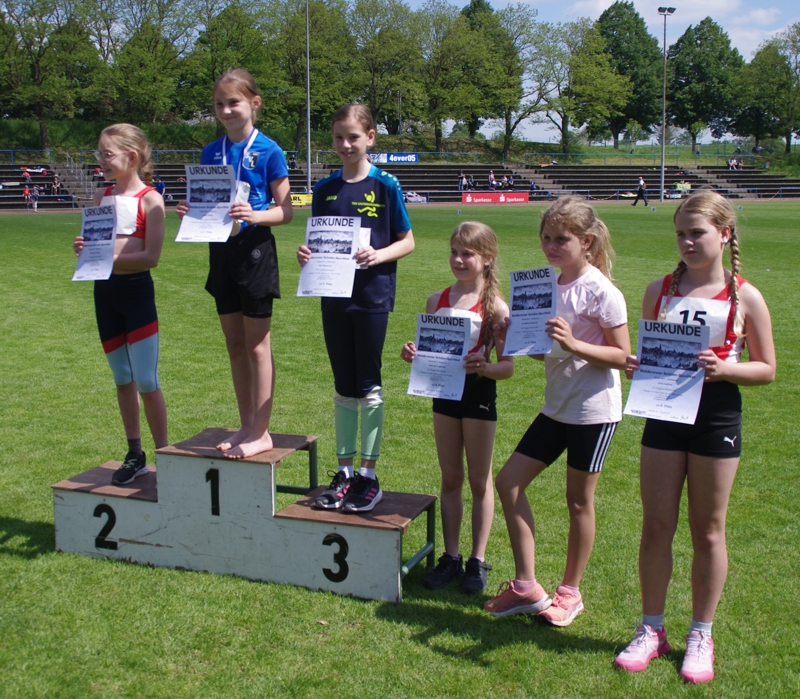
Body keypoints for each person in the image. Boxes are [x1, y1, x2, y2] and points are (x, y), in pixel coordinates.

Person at [614, 191, 775, 683]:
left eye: (697, 232)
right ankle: (651, 629)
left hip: (716, 417)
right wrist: (639, 364)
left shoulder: (745, 296)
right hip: (664, 413)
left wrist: (726, 369)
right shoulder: (658, 290)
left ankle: (701, 634)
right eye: (681, 233)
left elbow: (767, 368)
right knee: (656, 525)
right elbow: (646, 352)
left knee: (708, 530)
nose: (687, 241)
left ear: (725, 234)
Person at [484, 196, 629, 626]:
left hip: (593, 411)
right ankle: (527, 586)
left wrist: (575, 343)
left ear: (586, 242)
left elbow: (623, 356)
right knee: (508, 482)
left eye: (560, 239)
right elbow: (543, 353)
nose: (550, 246)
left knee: (578, 501)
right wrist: (512, 337)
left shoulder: (603, 292)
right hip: (556, 407)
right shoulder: (546, 286)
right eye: (546, 238)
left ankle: (570, 593)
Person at [297, 104, 414, 513]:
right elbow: (318, 239)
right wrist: (307, 254)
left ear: (370, 138)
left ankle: (369, 475)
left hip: (372, 296)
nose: (345, 145)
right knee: (343, 383)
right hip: (333, 296)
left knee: (368, 383)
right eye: (338, 137)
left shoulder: (386, 185)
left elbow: (407, 240)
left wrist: (378, 256)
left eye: (353, 137)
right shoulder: (324, 188)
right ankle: (345, 472)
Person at [177, 68, 293, 459]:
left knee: (258, 345)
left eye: (234, 102)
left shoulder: (270, 150)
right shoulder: (211, 151)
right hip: (220, 250)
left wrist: (254, 215)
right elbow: (208, 202)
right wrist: (192, 210)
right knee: (235, 344)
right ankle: (246, 425)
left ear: (254, 103)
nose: (226, 110)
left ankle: (262, 432)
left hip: (255, 249)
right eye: (219, 104)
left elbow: (286, 211)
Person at [401, 222, 513, 593]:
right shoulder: (437, 300)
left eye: (468, 253)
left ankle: (477, 561)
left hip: (478, 394)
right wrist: (413, 353)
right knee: (450, 476)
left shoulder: (496, 306)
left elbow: (507, 367)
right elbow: (428, 352)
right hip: (444, 394)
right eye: (454, 252)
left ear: (488, 258)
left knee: (480, 480)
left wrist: (485, 367)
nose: (459, 260)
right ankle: (450, 556)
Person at [72, 124, 168, 485]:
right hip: (105, 294)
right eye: (99, 153)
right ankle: (135, 453)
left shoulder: (150, 199)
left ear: (132, 156)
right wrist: (84, 249)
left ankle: (166, 457)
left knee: (146, 380)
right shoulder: (101, 196)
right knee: (122, 377)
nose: (101, 160)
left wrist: (106, 258)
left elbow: (151, 257)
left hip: (137, 294)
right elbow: (95, 246)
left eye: (107, 154)